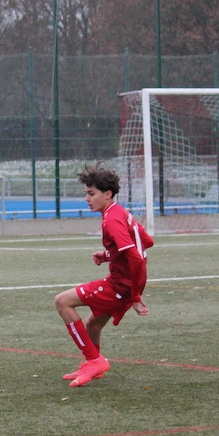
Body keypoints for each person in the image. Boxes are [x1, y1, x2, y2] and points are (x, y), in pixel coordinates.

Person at [54, 163, 153, 387]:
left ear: (107, 194)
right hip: (125, 286)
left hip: (120, 286)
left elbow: (136, 257)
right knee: (92, 325)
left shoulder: (111, 219)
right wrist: (108, 255)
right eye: (86, 194)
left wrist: (135, 296)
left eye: (91, 193)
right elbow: (147, 242)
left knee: (62, 302)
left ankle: (94, 361)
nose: (87, 199)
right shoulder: (120, 212)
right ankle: (93, 366)